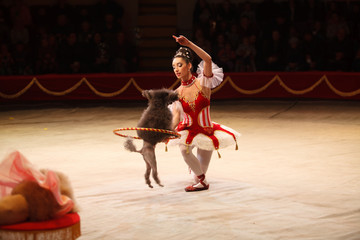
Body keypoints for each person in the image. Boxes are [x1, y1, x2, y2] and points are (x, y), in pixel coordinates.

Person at [170, 35, 240, 192]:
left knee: (197, 174)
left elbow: (207, 60)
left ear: (189, 66)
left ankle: (198, 177)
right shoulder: (177, 93)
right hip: (187, 130)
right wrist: (167, 131)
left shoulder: (203, 83)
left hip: (206, 131)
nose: (176, 69)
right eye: (174, 67)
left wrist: (188, 44)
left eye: (179, 65)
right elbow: (175, 117)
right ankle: (203, 181)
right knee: (184, 150)